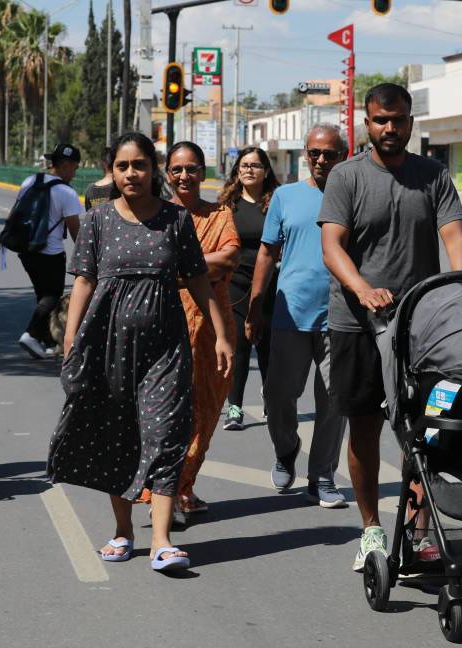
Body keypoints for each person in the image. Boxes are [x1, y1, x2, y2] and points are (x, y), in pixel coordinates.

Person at [48, 132, 233, 572]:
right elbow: (84, 281)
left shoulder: (175, 219)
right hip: (108, 345)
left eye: (140, 165)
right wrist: (71, 340)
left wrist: (221, 334)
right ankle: (123, 531)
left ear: (153, 169)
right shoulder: (97, 221)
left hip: (166, 348)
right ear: (111, 172)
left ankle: (162, 541)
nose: (131, 173)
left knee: (167, 434)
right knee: (120, 435)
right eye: (123, 166)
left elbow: (198, 279)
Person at [319, 83, 462, 571]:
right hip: (356, 324)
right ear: (367, 123)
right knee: (364, 428)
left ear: (410, 122)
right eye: (381, 120)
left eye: (399, 119)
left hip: (420, 327)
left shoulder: (433, 175)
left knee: (428, 430)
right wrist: (363, 289)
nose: (390, 128)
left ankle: (419, 530)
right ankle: (370, 529)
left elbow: (455, 237)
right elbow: (332, 246)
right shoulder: (346, 176)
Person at [247, 124, 348, 508]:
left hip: (339, 318)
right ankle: (286, 449)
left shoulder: (353, 193)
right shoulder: (285, 196)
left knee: (335, 401)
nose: (321, 160)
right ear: (306, 154)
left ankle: (322, 476)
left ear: (342, 155)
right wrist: (256, 306)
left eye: (330, 154)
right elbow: (267, 253)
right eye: (315, 153)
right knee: (278, 397)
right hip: (290, 314)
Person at [149, 141, 240, 516]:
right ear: (167, 174)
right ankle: (165, 493)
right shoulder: (155, 216)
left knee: (206, 411)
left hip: (212, 330)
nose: (184, 175)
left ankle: (182, 485)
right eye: (177, 169)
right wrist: (199, 269)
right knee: (167, 415)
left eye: (191, 168)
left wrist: (175, 268)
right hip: (163, 326)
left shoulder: (220, 214)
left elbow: (229, 258)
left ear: (203, 172)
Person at [217, 146, 280, 430]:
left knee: (268, 346)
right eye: (244, 165)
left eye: (255, 165)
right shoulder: (227, 205)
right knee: (239, 345)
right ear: (237, 170)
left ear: (266, 171)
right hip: (236, 284)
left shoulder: (276, 203)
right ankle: (234, 408)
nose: (249, 170)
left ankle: (271, 401)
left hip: (271, 284)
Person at [14, 144, 83, 359]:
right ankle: (31, 333)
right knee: (52, 296)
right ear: (65, 164)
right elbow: (75, 229)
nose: (75, 173)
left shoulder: (30, 181)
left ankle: (46, 341)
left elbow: (15, 213)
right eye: (74, 168)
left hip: (27, 250)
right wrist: (86, 254)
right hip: (51, 253)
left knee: (42, 295)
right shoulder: (66, 192)